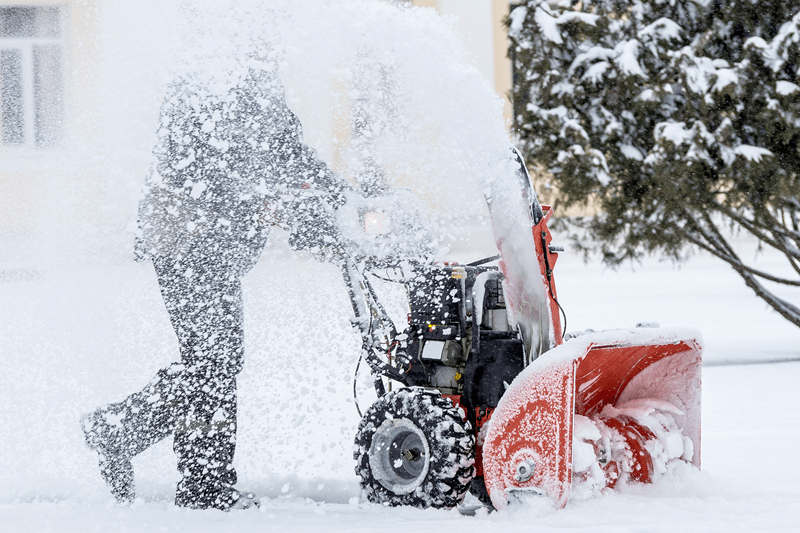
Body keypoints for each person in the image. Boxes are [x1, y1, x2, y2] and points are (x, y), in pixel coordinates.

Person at [81, 63, 351, 510]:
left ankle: (122, 433)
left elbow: (291, 156)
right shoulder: (203, 81)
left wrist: (349, 199)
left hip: (217, 251)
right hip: (187, 244)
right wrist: (276, 198)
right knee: (214, 363)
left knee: (214, 363)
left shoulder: (259, 83)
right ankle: (193, 480)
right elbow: (211, 162)